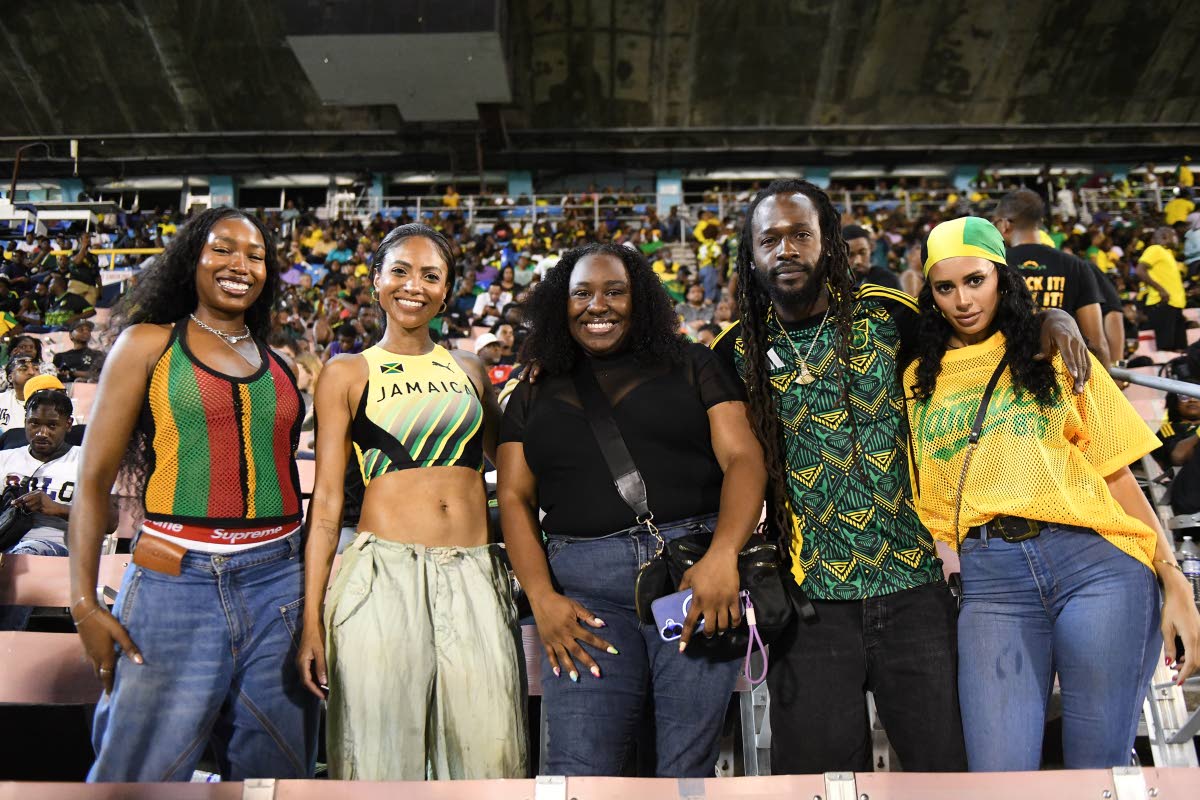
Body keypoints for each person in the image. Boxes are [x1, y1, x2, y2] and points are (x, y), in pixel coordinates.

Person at [712, 179, 1089, 775]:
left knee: (948, 774)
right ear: (750, 253)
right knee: (818, 784)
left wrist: (1052, 316)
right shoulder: (733, 353)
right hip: (809, 607)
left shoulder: (888, 314)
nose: (786, 249)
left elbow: (981, 336)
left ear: (828, 242)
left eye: (800, 234)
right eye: (770, 239)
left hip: (916, 593)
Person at [904, 215, 1200, 771]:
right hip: (992, 584)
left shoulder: (1057, 354)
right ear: (931, 294)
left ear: (1002, 277)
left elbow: (1116, 476)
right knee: (1000, 776)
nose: (963, 299)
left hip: (1096, 567)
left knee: (1098, 770)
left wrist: (1172, 576)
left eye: (976, 280)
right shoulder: (919, 376)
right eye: (945, 287)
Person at [67, 207, 319, 782]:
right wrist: (82, 602)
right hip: (173, 580)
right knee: (136, 777)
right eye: (223, 250)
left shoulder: (280, 363)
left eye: (256, 256)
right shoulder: (148, 344)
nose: (240, 265)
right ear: (193, 261)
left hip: (280, 580)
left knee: (274, 777)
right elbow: (91, 480)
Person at [498, 242, 767, 777]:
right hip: (585, 596)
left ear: (639, 298)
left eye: (615, 291)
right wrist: (543, 598)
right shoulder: (533, 388)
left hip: (689, 579)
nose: (599, 305)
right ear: (561, 303)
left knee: (685, 767)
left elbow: (744, 460)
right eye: (582, 293)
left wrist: (722, 556)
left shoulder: (693, 363)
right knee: (577, 769)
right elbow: (513, 497)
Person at [296, 223, 525, 781]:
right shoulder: (347, 372)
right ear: (376, 281)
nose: (413, 286)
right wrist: (310, 621)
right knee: (377, 757)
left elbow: (515, 468)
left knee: (490, 754)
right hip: (383, 573)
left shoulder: (469, 369)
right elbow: (326, 504)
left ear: (447, 291)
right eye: (399, 270)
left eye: (431, 275)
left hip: (474, 571)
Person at [992, 190, 1111, 365]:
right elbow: (1097, 344)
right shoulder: (1076, 266)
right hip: (1065, 377)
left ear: (1004, 224)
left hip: (1008, 374)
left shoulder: (994, 266)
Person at [1137, 227, 1187, 351]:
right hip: (1163, 304)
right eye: (1173, 235)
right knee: (1166, 347)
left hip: (1175, 305)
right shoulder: (1155, 249)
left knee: (1179, 348)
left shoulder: (1168, 254)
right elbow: (1140, 270)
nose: (1176, 239)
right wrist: (1160, 289)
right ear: (1164, 236)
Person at [845, 225, 901, 290]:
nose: (858, 261)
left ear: (871, 248)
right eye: (850, 255)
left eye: (863, 253)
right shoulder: (838, 284)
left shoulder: (888, 281)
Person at [0, 354, 42, 433]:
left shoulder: (53, 401)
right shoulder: (1, 400)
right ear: (10, 377)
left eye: (36, 369)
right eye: (23, 369)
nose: (31, 372)